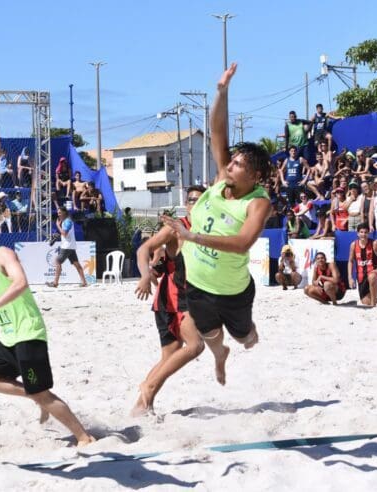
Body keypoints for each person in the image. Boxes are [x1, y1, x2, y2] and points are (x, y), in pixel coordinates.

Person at [161, 62, 271, 387]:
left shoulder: (258, 202)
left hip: (232, 289)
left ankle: (240, 337)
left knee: (246, 338)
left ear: (255, 177)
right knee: (209, 333)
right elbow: (217, 130)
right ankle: (218, 355)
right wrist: (221, 92)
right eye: (232, 161)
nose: (230, 165)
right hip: (198, 282)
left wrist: (192, 235)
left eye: (238, 165)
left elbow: (242, 243)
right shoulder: (223, 177)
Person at [0, 216, 95, 447]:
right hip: (8, 337)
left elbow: (21, 283)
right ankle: (33, 395)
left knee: (42, 393)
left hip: (28, 333)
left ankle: (84, 437)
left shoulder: (3, 254)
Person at [132, 186, 204, 415]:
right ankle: (148, 387)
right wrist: (145, 275)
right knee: (194, 345)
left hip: (188, 296)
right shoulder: (175, 227)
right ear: (186, 203)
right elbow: (144, 249)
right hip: (172, 298)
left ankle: (142, 405)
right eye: (191, 200)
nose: (195, 204)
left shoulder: (205, 229)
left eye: (200, 200)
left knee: (170, 354)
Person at [348, 222, 377, 307]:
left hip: (372, 273)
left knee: (372, 277)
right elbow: (350, 261)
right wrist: (350, 277)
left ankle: (373, 305)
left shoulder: (374, 243)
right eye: (361, 232)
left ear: (368, 233)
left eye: (365, 232)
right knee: (365, 302)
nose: (363, 234)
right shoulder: (353, 245)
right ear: (357, 233)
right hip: (360, 276)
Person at [45, 208, 87, 288]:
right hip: (70, 246)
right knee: (76, 264)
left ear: (64, 213)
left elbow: (64, 234)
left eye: (60, 212)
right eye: (58, 212)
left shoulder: (67, 221)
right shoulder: (66, 221)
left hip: (67, 246)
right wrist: (58, 234)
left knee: (57, 261)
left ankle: (55, 283)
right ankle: (84, 282)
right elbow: (64, 233)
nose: (58, 214)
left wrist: (57, 225)